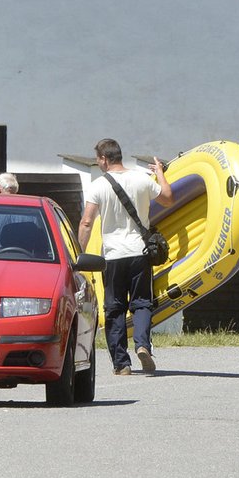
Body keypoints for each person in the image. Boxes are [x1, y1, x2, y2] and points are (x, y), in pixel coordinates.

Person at [78, 138, 174, 375]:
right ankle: (143, 346)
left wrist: (80, 254)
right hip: (139, 253)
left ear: (103, 159)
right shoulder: (142, 179)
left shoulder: (98, 186)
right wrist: (160, 172)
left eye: (98, 159)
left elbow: (87, 222)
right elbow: (167, 197)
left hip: (113, 256)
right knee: (142, 303)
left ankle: (122, 364)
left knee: (115, 308)